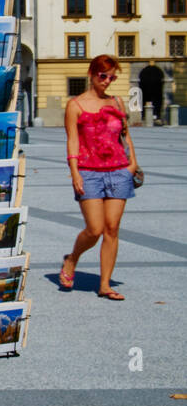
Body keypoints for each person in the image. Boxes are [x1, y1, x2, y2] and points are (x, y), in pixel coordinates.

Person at [61, 54, 140, 299]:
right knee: (94, 229)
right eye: (103, 75)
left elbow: (125, 136)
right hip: (88, 172)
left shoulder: (117, 102)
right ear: (92, 74)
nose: (107, 80)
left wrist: (132, 164)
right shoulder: (75, 105)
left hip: (118, 170)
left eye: (112, 77)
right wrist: (74, 173)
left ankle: (105, 285)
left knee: (112, 228)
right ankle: (72, 259)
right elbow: (72, 141)